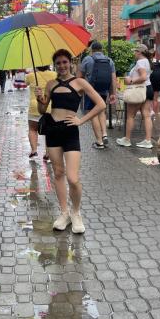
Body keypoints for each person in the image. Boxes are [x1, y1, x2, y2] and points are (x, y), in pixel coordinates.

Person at [35, 49, 106, 234]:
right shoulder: (51, 84)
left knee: (73, 178)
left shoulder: (80, 82)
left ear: (70, 63)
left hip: (70, 131)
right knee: (58, 172)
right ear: (55, 65)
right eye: (58, 63)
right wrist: (40, 100)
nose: (61, 66)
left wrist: (81, 120)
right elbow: (43, 110)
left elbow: (101, 104)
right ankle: (64, 212)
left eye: (64, 62)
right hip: (52, 130)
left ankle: (76, 213)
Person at [78, 41, 117, 149]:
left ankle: (99, 142)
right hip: (104, 90)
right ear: (101, 49)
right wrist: (113, 93)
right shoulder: (109, 60)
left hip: (91, 91)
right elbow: (113, 78)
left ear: (92, 50)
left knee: (93, 114)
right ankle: (104, 134)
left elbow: (79, 76)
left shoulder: (87, 59)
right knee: (101, 111)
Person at [116, 43, 154, 149]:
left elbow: (143, 77)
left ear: (139, 52)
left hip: (139, 90)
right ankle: (148, 140)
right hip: (148, 88)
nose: (134, 53)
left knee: (130, 116)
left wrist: (131, 80)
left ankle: (127, 139)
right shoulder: (147, 61)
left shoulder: (140, 62)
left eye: (135, 51)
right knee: (146, 115)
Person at [25, 66, 57, 160]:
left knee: (32, 129)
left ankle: (34, 151)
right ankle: (48, 153)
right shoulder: (54, 74)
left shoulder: (31, 76)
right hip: (49, 106)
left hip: (34, 106)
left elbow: (25, 82)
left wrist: (33, 72)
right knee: (49, 131)